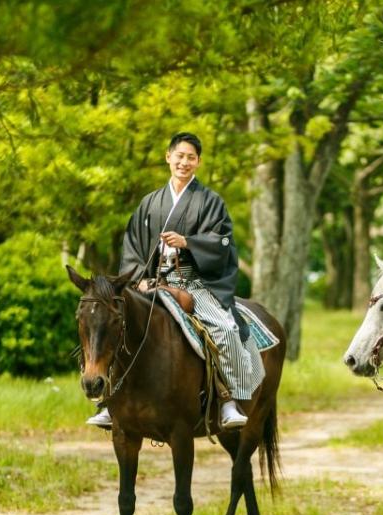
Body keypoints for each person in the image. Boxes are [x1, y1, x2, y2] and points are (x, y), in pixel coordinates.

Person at [87, 132, 259, 430]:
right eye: (179, 156)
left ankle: (228, 400)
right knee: (115, 326)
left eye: (191, 157)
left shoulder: (211, 202)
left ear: (198, 162)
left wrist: (188, 242)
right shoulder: (150, 204)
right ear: (168, 157)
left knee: (226, 329)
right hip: (150, 282)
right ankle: (110, 402)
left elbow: (223, 244)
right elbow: (132, 246)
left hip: (195, 283)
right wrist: (138, 280)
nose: (184, 162)